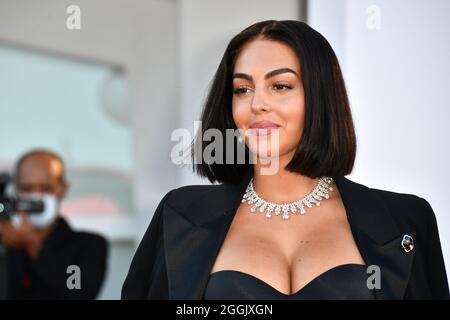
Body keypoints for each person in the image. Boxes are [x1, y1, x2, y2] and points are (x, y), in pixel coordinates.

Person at [121, 20, 449, 299]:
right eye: (242, 89)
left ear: (320, 97)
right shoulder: (179, 215)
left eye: (280, 85)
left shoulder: (405, 219)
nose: (257, 103)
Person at [0, 149, 108, 299]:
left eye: (46, 188)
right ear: (16, 190)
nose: (35, 196)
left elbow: (77, 292)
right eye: (27, 188)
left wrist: (32, 244)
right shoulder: (6, 243)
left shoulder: (88, 245)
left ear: (62, 189)